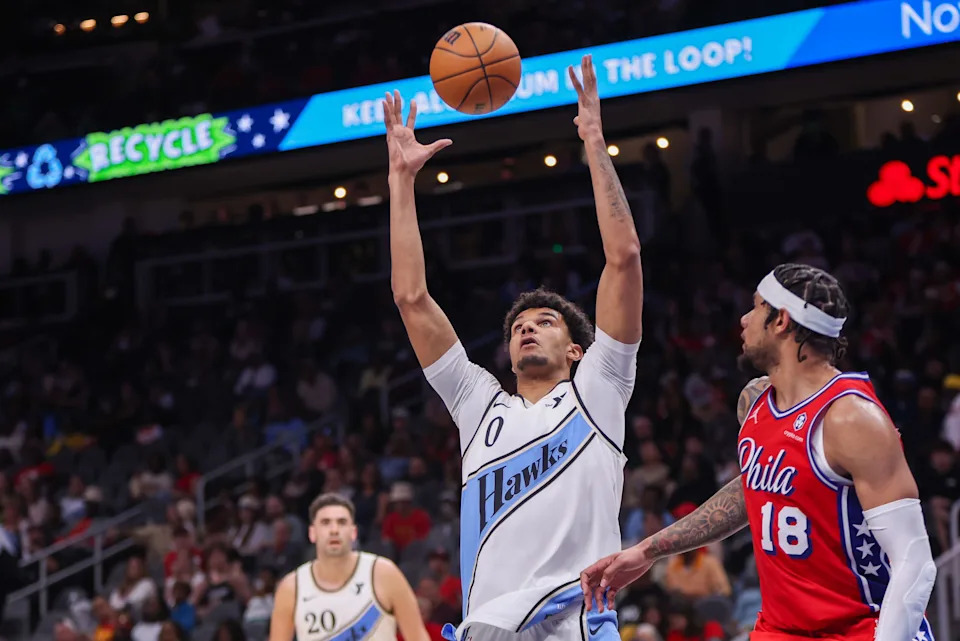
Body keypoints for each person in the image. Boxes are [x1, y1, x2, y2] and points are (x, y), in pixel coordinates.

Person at [385, 53, 643, 641]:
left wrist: (594, 142)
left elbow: (624, 259)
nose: (528, 328)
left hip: (573, 624)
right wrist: (401, 183)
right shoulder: (479, 407)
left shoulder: (600, 389)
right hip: (488, 630)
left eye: (547, 321)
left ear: (577, 348)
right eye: (519, 325)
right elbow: (411, 296)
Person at [580, 264, 936, 641]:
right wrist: (648, 551)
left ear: (781, 320)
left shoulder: (851, 418)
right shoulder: (755, 401)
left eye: (756, 307)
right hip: (780, 630)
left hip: (858, 629)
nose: (744, 318)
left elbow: (915, 561)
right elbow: (753, 490)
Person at [269, 493, 429, 641]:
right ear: (312, 533)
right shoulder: (292, 587)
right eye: (325, 523)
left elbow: (418, 637)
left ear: (353, 533)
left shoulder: (384, 573)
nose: (334, 530)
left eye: (342, 522)